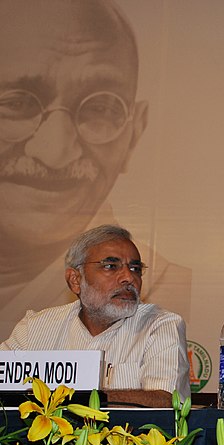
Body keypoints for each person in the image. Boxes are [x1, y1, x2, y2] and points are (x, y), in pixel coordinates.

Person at [0, 0, 190, 340]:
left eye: (99, 109)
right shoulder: (36, 328)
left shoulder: (164, 315)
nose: (55, 152)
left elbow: (163, 396)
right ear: (74, 279)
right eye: (17, 104)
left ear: (134, 133)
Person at [0, 225, 191, 401]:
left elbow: (167, 402)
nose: (128, 277)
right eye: (110, 266)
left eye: (135, 268)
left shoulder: (160, 325)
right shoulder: (34, 329)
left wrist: (81, 399)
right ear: (75, 280)